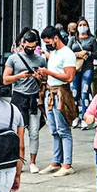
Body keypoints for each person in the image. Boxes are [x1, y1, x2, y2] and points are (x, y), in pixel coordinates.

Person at [3, 31, 46, 174]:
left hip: (33, 98)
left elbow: (45, 80)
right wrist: (19, 76)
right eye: (28, 47)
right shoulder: (13, 59)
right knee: (17, 132)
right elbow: (5, 79)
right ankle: (17, 160)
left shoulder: (40, 59)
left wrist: (39, 77)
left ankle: (33, 161)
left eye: (33, 48)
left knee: (34, 132)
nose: (31, 50)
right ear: (22, 44)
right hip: (18, 97)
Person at [37, 26, 77, 176]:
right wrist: (43, 76)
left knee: (63, 130)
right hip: (51, 92)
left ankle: (67, 164)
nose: (47, 45)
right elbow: (54, 75)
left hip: (61, 93)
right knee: (54, 130)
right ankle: (56, 160)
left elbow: (69, 77)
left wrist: (48, 72)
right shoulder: (53, 53)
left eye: (48, 41)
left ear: (56, 38)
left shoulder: (67, 53)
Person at [67, 17, 97, 129]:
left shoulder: (92, 39)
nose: (82, 27)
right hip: (75, 68)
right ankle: (75, 117)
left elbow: (96, 54)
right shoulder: (73, 40)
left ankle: (85, 117)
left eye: (84, 25)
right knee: (74, 93)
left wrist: (88, 53)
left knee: (85, 93)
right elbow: (67, 53)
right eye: (80, 25)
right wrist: (77, 54)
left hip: (87, 68)